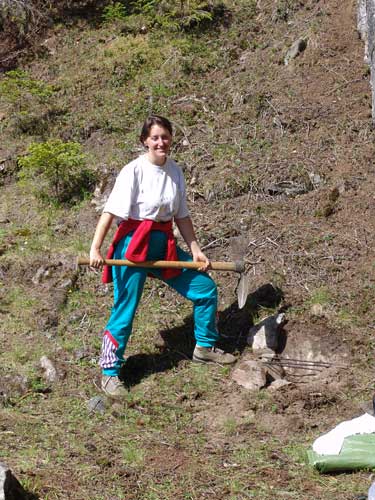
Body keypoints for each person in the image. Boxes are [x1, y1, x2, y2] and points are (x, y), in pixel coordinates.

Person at [89, 115, 236, 399]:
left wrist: (195, 249)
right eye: (155, 137)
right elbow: (111, 213)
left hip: (164, 246)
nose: (160, 142)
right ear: (145, 140)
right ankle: (109, 372)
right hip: (133, 248)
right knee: (125, 309)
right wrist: (95, 249)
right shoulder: (133, 171)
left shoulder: (175, 171)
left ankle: (205, 348)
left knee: (205, 289)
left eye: (165, 137)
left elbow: (182, 216)